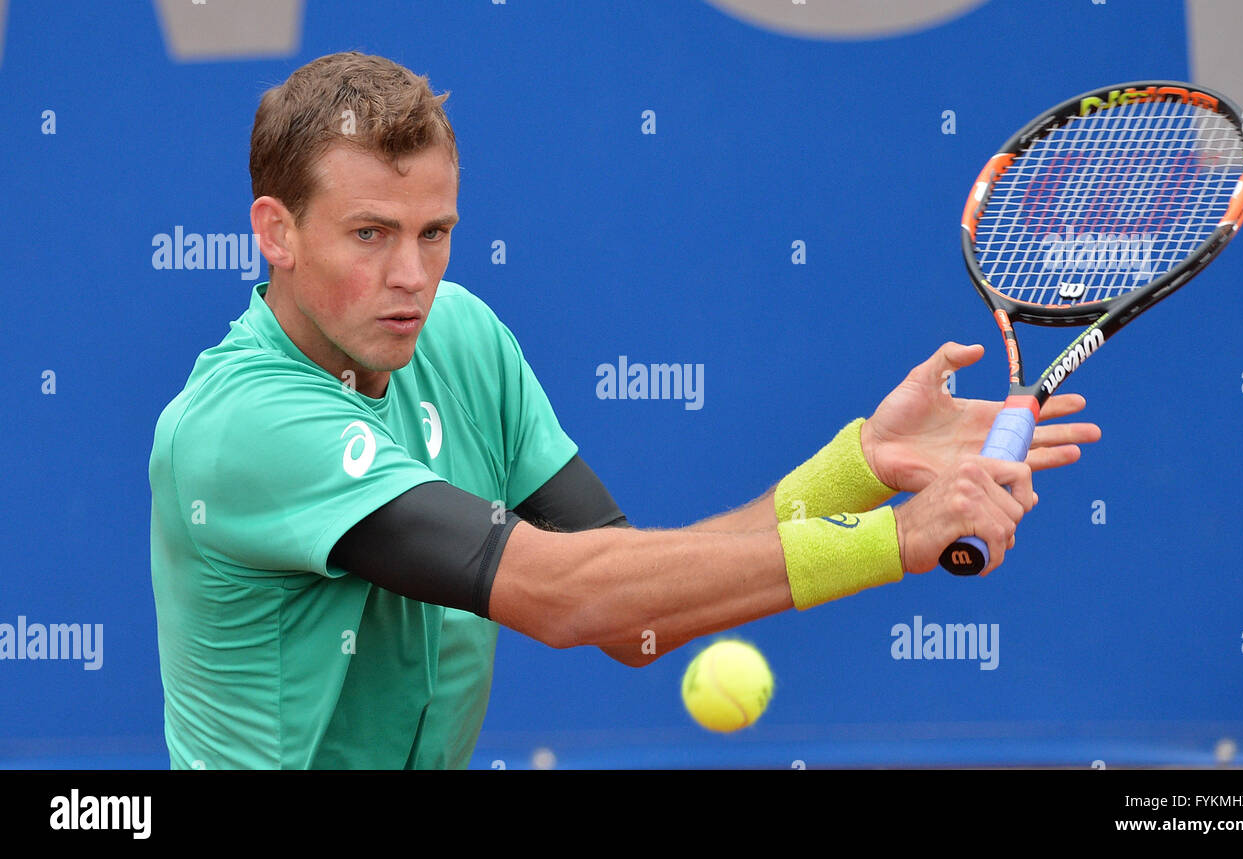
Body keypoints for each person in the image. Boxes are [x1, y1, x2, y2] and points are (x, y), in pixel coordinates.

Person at [148, 52, 1100, 769]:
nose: (412, 277)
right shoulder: (247, 426)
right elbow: (567, 595)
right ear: (276, 232)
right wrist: (895, 538)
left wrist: (860, 466)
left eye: (435, 233)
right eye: (370, 234)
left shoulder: (461, 336)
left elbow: (633, 618)